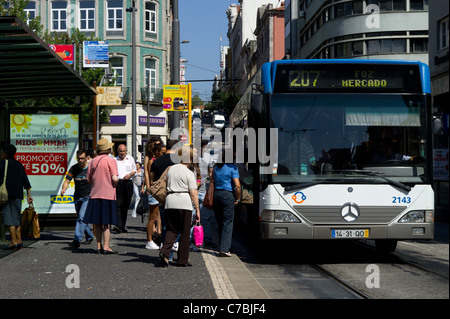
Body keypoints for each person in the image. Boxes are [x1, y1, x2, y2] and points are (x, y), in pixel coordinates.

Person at [159, 145, 200, 267]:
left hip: (170, 201)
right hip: (184, 203)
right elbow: (193, 193)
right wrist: (197, 209)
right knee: (185, 232)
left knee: (171, 230)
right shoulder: (189, 173)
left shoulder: (170, 169)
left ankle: (165, 251)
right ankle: (182, 259)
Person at [83, 138, 119, 254]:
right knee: (106, 223)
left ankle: (98, 246)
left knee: (96, 223)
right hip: (108, 194)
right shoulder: (111, 160)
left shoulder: (92, 161)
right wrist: (117, 181)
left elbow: (88, 179)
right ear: (108, 149)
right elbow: (114, 178)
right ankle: (106, 246)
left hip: (95, 194)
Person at [0, 144, 33, 250]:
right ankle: (19, 241)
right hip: (18, 195)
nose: (0, 153)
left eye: (2, 152)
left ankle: (13, 242)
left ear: (6, 153)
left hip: (6, 195)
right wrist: (29, 195)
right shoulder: (19, 164)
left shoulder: (2, 164)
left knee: (9, 218)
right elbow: (26, 181)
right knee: (16, 218)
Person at [61, 149, 94, 249]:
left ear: (87, 158)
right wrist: (63, 189)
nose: (80, 160)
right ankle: (89, 236)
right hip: (77, 197)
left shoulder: (91, 168)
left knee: (81, 218)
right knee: (82, 218)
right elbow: (67, 181)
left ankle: (76, 240)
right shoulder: (74, 168)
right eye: (78, 158)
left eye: (82, 158)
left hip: (87, 197)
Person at [213, 149, 240, 257]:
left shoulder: (216, 167)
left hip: (216, 195)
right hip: (227, 195)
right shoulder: (233, 168)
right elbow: (237, 185)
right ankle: (224, 249)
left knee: (220, 222)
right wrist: (237, 198)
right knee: (227, 223)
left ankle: (222, 245)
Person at [150, 139, 178, 244]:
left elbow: (153, 181)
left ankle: (164, 243)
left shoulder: (156, 161)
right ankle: (172, 244)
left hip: (162, 196)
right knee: (175, 223)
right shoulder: (177, 161)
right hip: (175, 194)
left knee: (164, 222)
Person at [144, 140, 165, 250]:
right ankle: (149, 240)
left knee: (159, 216)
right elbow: (150, 177)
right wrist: (148, 188)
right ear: (156, 151)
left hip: (159, 191)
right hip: (154, 191)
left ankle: (158, 237)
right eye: (161, 153)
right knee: (152, 217)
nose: (163, 155)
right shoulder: (152, 161)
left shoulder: (158, 160)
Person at [113, 144, 136, 233]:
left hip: (128, 183)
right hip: (118, 183)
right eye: (120, 151)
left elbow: (134, 170)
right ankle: (118, 225)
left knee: (126, 205)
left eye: (124, 151)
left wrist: (130, 174)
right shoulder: (114, 160)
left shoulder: (130, 159)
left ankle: (122, 226)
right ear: (118, 151)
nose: (122, 153)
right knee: (118, 204)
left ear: (126, 151)